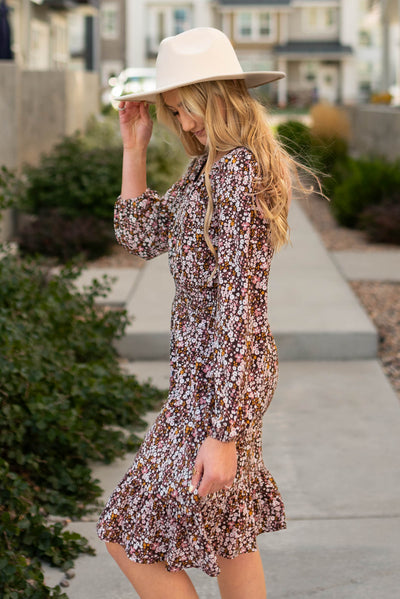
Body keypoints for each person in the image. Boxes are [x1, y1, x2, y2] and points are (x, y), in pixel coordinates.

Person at [97, 27, 294, 599]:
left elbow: (239, 306)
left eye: (185, 108)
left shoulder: (233, 175)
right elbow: (143, 234)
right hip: (213, 380)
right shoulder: (210, 169)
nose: (181, 124)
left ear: (217, 95)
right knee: (231, 537)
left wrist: (224, 433)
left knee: (126, 531)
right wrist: (134, 146)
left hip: (217, 388)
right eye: (174, 111)